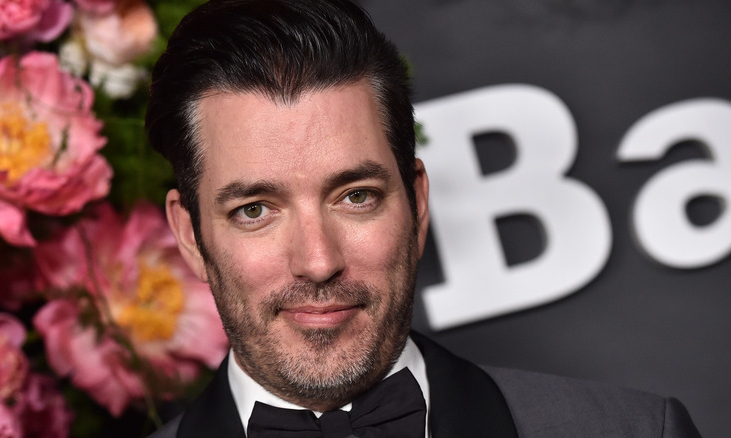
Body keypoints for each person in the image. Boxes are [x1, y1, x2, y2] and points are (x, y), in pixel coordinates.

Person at [145, 0, 701, 436]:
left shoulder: (634, 429)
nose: (317, 262)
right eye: (255, 210)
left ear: (417, 202)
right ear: (191, 236)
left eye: (355, 196)